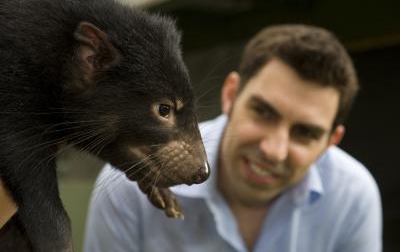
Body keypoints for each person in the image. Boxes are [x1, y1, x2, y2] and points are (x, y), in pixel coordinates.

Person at [84, 24, 382, 252]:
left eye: (305, 133)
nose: (273, 151)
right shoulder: (129, 184)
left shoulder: (353, 196)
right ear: (230, 95)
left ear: (331, 142)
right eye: (263, 112)